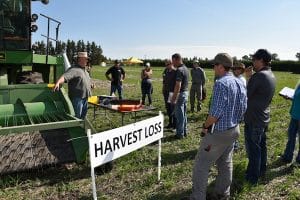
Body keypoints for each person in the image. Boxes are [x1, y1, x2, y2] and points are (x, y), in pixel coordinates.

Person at [190, 53, 247, 200]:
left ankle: (198, 197)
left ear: (221, 67)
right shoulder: (239, 82)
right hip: (234, 129)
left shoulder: (221, 83)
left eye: (215, 65)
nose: (213, 68)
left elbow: (215, 114)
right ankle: (222, 193)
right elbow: (244, 107)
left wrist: (205, 126)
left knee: (201, 165)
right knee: (225, 162)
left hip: (219, 133)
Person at [244, 49, 276, 184]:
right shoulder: (271, 74)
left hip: (254, 118)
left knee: (253, 149)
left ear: (261, 60)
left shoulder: (259, 76)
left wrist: (248, 77)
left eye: (254, 59)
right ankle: (262, 169)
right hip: (263, 117)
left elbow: (247, 94)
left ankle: (252, 177)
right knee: (261, 146)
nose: (252, 62)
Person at [53, 52, 92, 119]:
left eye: (87, 59)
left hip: (85, 98)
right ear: (80, 59)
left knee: (83, 117)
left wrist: (91, 85)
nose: (87, 61)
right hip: (77, 99)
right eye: (85, 59)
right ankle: (75, 128)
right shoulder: (74, 69)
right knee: (76, 117)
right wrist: (58, 82)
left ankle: (81, 128)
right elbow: (65, 76)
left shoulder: (85, 70)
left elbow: (86, 81)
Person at [280, 81, 300, 164]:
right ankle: (288, 156)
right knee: (291, 136)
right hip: (294, 115)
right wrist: (290, 97)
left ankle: (299, 160)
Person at [171, 53, 189, 139]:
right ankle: (184, 131)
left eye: (173, 61)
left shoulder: (179, 70)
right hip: (185, 93)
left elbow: (178, 85)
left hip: (180, 94)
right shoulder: (186, 68)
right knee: (184, 114)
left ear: (177, 59)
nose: (172, 63)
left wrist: (174, 98)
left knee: (179, 116)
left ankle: (180, 134)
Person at [232, 62, 247, 151]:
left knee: (234, 126)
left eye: (237, 69)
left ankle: (235, 145)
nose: (235, 70)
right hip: (235, 105)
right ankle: (233, 144)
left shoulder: (241, 80)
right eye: (234, 68)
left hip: (237, 106)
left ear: (241, 70)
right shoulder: (236, 78)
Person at [162, 59, 177, 129]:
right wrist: (163, 88)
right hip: (166, 92)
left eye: (167, 64)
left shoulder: (175, 71)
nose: (166, 66)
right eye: (165, 65)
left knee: (173, 109)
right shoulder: (166, 71)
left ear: (171, 64)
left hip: (172, 93)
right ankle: (170, 123)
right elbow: (164, 81)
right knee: (168, 108)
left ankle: (175, 124)